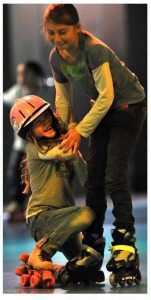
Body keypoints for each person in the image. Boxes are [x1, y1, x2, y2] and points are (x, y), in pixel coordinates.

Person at [42, 4, 147, 285]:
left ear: (77, 28)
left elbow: (107, 97)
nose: (57, 38)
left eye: (63, 32)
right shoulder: (57, 57)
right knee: (93, 180)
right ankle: (92, 246)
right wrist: (66, 132)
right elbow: (62, 99)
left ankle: (125, 246)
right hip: (102, 109)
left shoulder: (94, 50)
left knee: (114, 177)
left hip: (127, 107)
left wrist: (81, 132)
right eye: (51, 33)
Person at [9, 95, 104, 282]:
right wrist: (77, 130)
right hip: (41, 218)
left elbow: (87, 181)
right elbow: (60, 152)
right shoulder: (33, 149)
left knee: (92, 262)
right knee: (86, 213)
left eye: (46, 117)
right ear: (29, 133)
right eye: (37, 123)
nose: (45, 123)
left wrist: (75, 153)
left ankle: (57, 271)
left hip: (64, 222)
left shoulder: (66, 148)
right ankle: (41, 252)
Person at [3, 61, 52, 221]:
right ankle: (17, 203)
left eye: (24, 73)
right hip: (21, 145)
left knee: (41, 176)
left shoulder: (44, 92)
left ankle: (46, 205)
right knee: (15, 172)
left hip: (41, 145)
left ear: (34, 75)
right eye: (19, 74)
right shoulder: (18, 91)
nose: (21, 77)